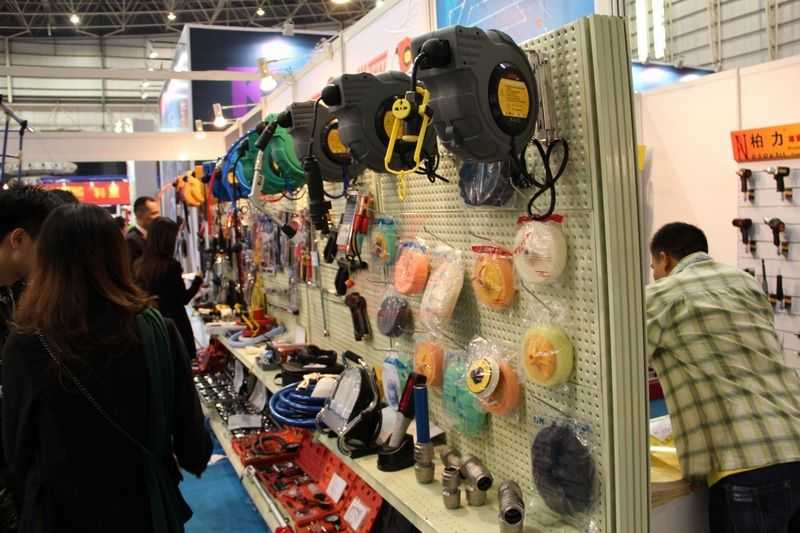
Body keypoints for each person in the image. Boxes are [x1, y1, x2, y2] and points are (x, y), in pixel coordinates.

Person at [2, 204, 211, 532]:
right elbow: (193, 449)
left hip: (59, 514)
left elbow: (17, 452)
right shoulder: (155, 331)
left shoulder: (26, 342)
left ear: (46, 259)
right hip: (144, 511)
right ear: (117, 256)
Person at [646, 222, 800, 533]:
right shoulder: (745, 282)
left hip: (744, 463)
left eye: (653, 266)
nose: (654, 274)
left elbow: (618, 361)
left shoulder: (661, 294)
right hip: (793, 443)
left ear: (665, 258)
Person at [135, 217, 203, 359]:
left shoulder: (139, 265)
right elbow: (183, 299)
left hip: (152, 327)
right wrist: (197, 282)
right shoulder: (171, 266)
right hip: (175, 326)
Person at [127, 196, 160, 266]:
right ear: (139, 215)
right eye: (154, 213)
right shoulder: (131, 241)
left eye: (158, 213)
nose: (158, 217)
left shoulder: (155, 235)